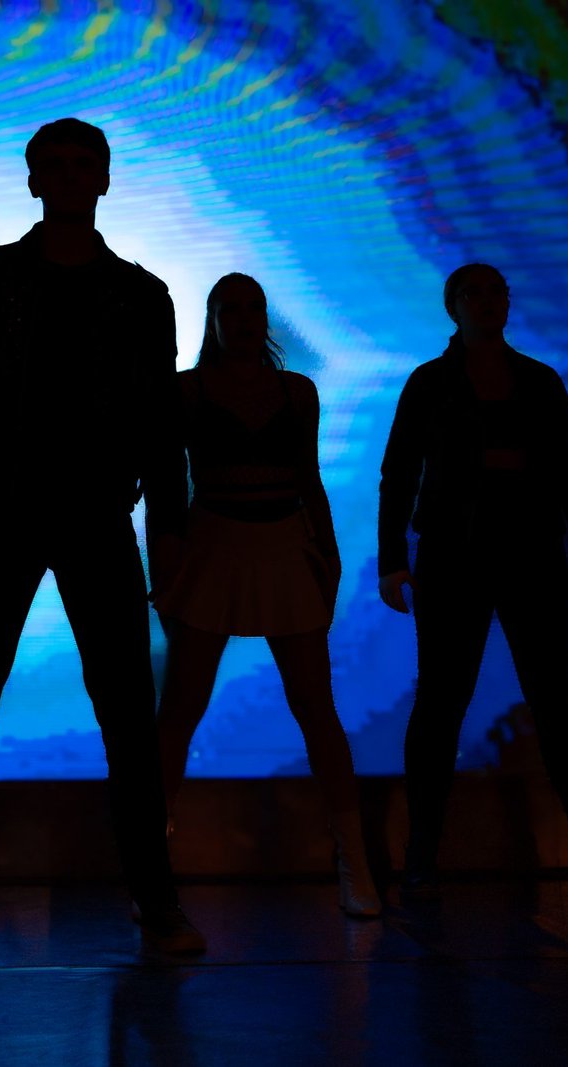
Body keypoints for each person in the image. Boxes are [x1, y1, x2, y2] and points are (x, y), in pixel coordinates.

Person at [0, 118, 205, 955]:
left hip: (97, 513)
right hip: (3, 507)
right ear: (35, 180)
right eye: (58, 166)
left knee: (126, 718)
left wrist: (169, 530)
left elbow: (159, 427)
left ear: (104, 180)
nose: (72, 178)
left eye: (85, 166)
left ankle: (157, 897)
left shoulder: (142, 296)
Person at [377, 262, 568, 909]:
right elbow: (400, 472)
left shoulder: (537, 382)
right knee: (442, 702)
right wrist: (392, 557)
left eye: (496, 290)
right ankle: (423, 850)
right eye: (475, 291)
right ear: (453, 304)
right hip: (455, 556)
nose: (488, 300)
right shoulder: (431, 384)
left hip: (528, 553)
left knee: (553, 701)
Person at [153, 273, 380, 917]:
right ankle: (152, 863)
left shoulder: (296, 392)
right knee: (181, 711)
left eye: (254, 308)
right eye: (233, 309)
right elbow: (166, 481)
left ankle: (355, 859)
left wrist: (328, 555)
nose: (246, 319)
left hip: (280, 546)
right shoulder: (188, 392)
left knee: (314, 707)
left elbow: (309, 477)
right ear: (214, 318)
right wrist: (164, 556)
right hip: (214, 546)